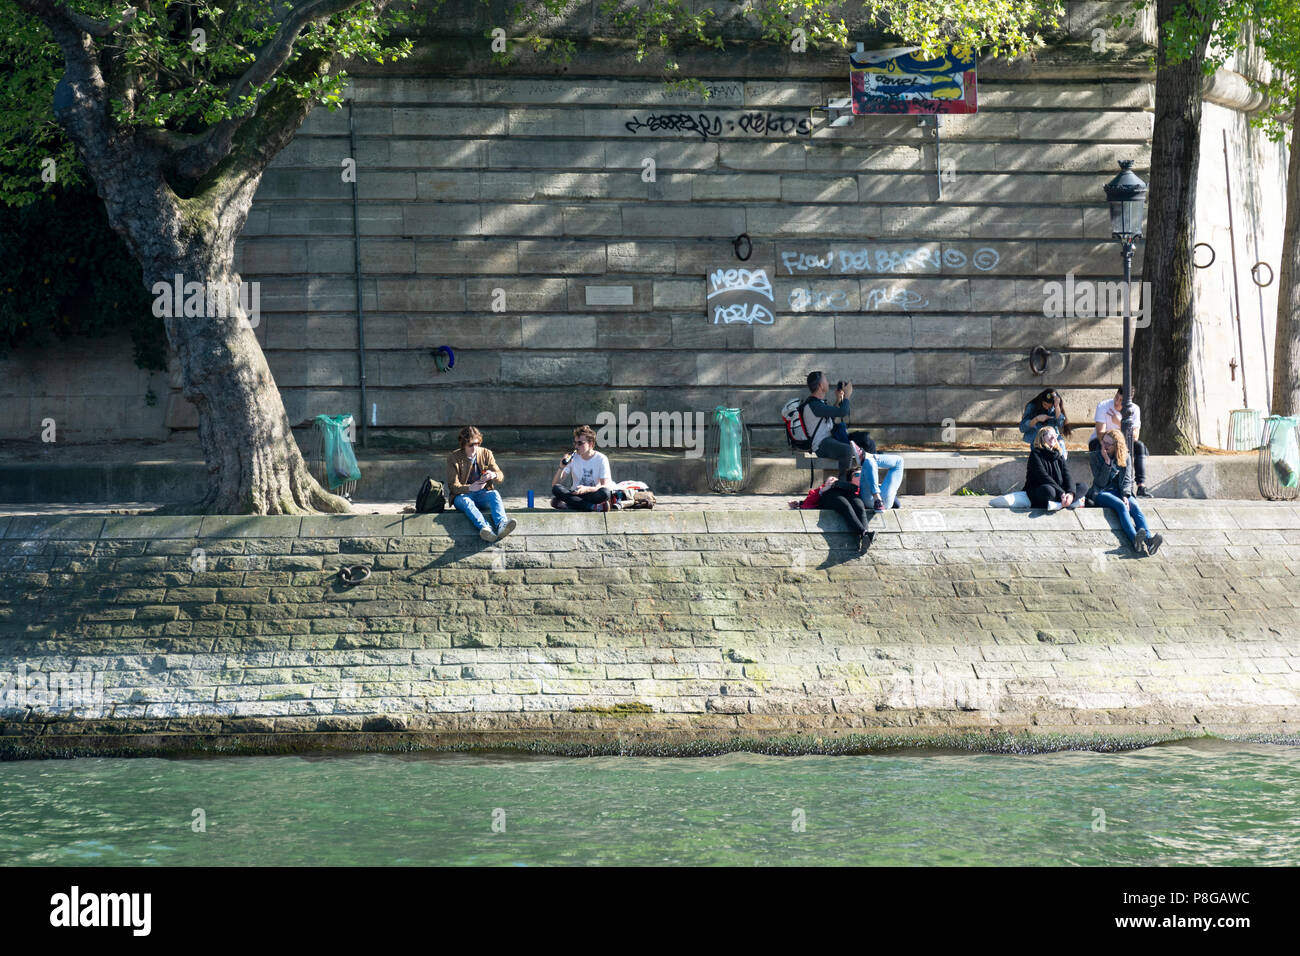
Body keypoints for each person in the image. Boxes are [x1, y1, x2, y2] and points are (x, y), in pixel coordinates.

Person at [1089, 428, 1163, 556]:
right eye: (1103, 442)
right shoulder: (1095, 456)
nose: (1104, 445)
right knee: (1121, 506)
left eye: (1108, 444)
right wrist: (1107, 463)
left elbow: (1128, 480)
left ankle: (1149, 541)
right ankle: (1135, 539)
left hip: (1120, 491)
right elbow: (1100, 482)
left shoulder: (1125, 456)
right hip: (1102, 492)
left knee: (1135, 507)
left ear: (1117, 445)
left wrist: (1125, 495)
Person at [447, 426, 516, 542]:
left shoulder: (486, 453)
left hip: (482, 495)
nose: (474, 448)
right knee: (466, 501)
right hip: (462, 496)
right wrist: (470, 488)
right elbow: (453, 486)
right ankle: (485, 528)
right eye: (470, 445)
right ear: (463, 444)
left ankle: (501, 525)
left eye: (477, 444)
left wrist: (493, 475)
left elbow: (500, 475)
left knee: (494, 494)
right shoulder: (453, 458)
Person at [790, 470, 874, 552]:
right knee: (845, 506)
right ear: (849, 479)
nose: (860, 476)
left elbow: (866, 505)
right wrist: (824, 489)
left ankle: (865, 537)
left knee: (860, 507)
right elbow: (809, 501)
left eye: (861, 475)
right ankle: (864, 533)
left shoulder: (862, 491)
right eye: (856, 475)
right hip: (832, 496)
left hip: (850, 494)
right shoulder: (826, 488)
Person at [1092, 387, 1151, 497]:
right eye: (1116, 397)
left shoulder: (1134, 409)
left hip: (1122, 443)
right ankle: (1101, 485)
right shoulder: (1103, 406)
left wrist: (1120, 423)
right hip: (1104, 441)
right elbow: (1100, 433)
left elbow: (1135, 436)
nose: (1117, 402)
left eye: (1121, 400)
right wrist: (1113, 442)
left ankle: (1141, 486)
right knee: (1095, 445)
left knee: (1139, 446)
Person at [801, 371, 856, 478]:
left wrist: (838, 400)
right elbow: (842, 412)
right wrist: (847, 397)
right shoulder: (814, 405)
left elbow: (830, 418)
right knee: (846, 450)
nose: (828, 382)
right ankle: (843, 484)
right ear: (821, 385)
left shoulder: (818, 403)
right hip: (821, 445)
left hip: (829, 440)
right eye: (825, 380)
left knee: (864, 440)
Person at [551, 425, 617, 512]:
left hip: (592, 494)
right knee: (556, 489)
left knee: (605, 493)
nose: (576, 446)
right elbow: (555, 484)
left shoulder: (601, 459)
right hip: (576, 494)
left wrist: (587, 489)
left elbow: (606, 485)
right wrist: (561, 467)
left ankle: (571, 504)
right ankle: (592, 507)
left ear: (591, 444)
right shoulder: (573, 458)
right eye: (575, 443)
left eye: (580, 443)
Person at [1024, 426, 1084, 510]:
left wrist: (1070, 494)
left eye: (1055, 435)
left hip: (1059, 490)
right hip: (1040, 488)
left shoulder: (1059, 455)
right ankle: (1067, 503)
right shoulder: (1035, 454)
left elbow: (1067, 476)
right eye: (1049, 434)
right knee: (1049, 491)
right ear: (1042, 437)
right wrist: (1062, 493)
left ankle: (1064, 502)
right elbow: (1043, 477)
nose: (1053, 437)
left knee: (1082, 486)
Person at [1020, 388, 1071, 455]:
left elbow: (1061, 424)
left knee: (1062, 454)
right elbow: (1022, 428)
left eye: (1049, 407)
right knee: (1042, 455)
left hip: (1053, 439)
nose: (1047, 408)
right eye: (1045, 404)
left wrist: (1057, 406)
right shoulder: (1032, 406)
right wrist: (1036, 419)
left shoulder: (1055, 407)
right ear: (1041, 401)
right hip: (1038, 439)